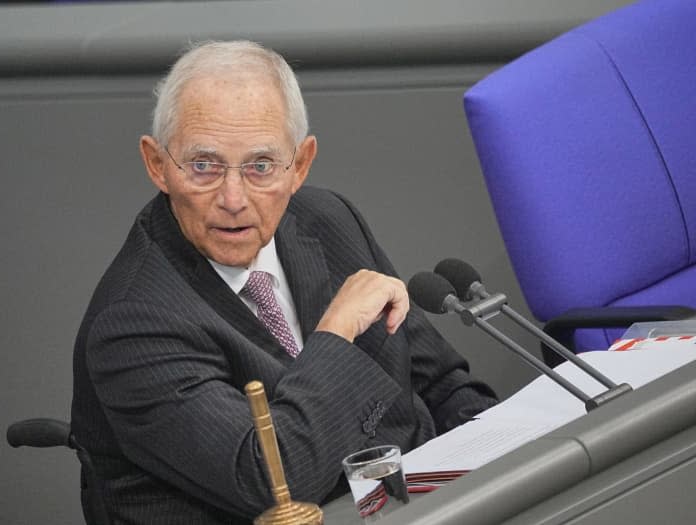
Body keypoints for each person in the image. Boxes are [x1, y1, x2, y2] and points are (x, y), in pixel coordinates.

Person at [71, 40, 497, 524]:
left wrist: (501, 453)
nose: (233, 198)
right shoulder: (133, 324)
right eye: (204, 166)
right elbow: (278, 484)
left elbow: (441, 383)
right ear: (158, 165)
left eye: (260, 166)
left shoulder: (327, 220)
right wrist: (335, 334)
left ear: (299, 165)